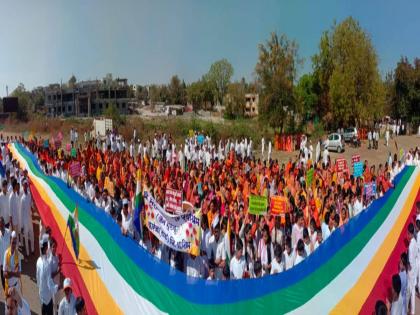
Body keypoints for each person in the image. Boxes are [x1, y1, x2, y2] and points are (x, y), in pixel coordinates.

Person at [36, 234, 59, 315]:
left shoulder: (38, 260)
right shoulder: (47, 265)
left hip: (41, 294)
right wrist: (57, 287)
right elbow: (50, 284)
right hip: (48, 297)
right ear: (46, 248)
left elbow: (37, 278)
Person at [20, 181, 34, 257]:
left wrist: (33, 207)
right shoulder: (22, 199)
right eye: (24, 185)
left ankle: (32, 250)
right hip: (25, 220)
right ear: (23, 186)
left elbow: (31, 204)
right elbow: (21, 213)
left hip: (30, 218)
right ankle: (28, 253)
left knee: (31, 234)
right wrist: (22, 226)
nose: (25, 187)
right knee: (25, 236)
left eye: (26, 185)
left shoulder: (29, 195)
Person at [0, 216, 11, 290]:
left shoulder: (9, 232)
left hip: (9, 263)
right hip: (2, 265)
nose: (1, 226)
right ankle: (7, 297)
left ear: (4, 223)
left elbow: (12, 247)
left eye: (2, 223)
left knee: (10, 282)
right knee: (4, 283)